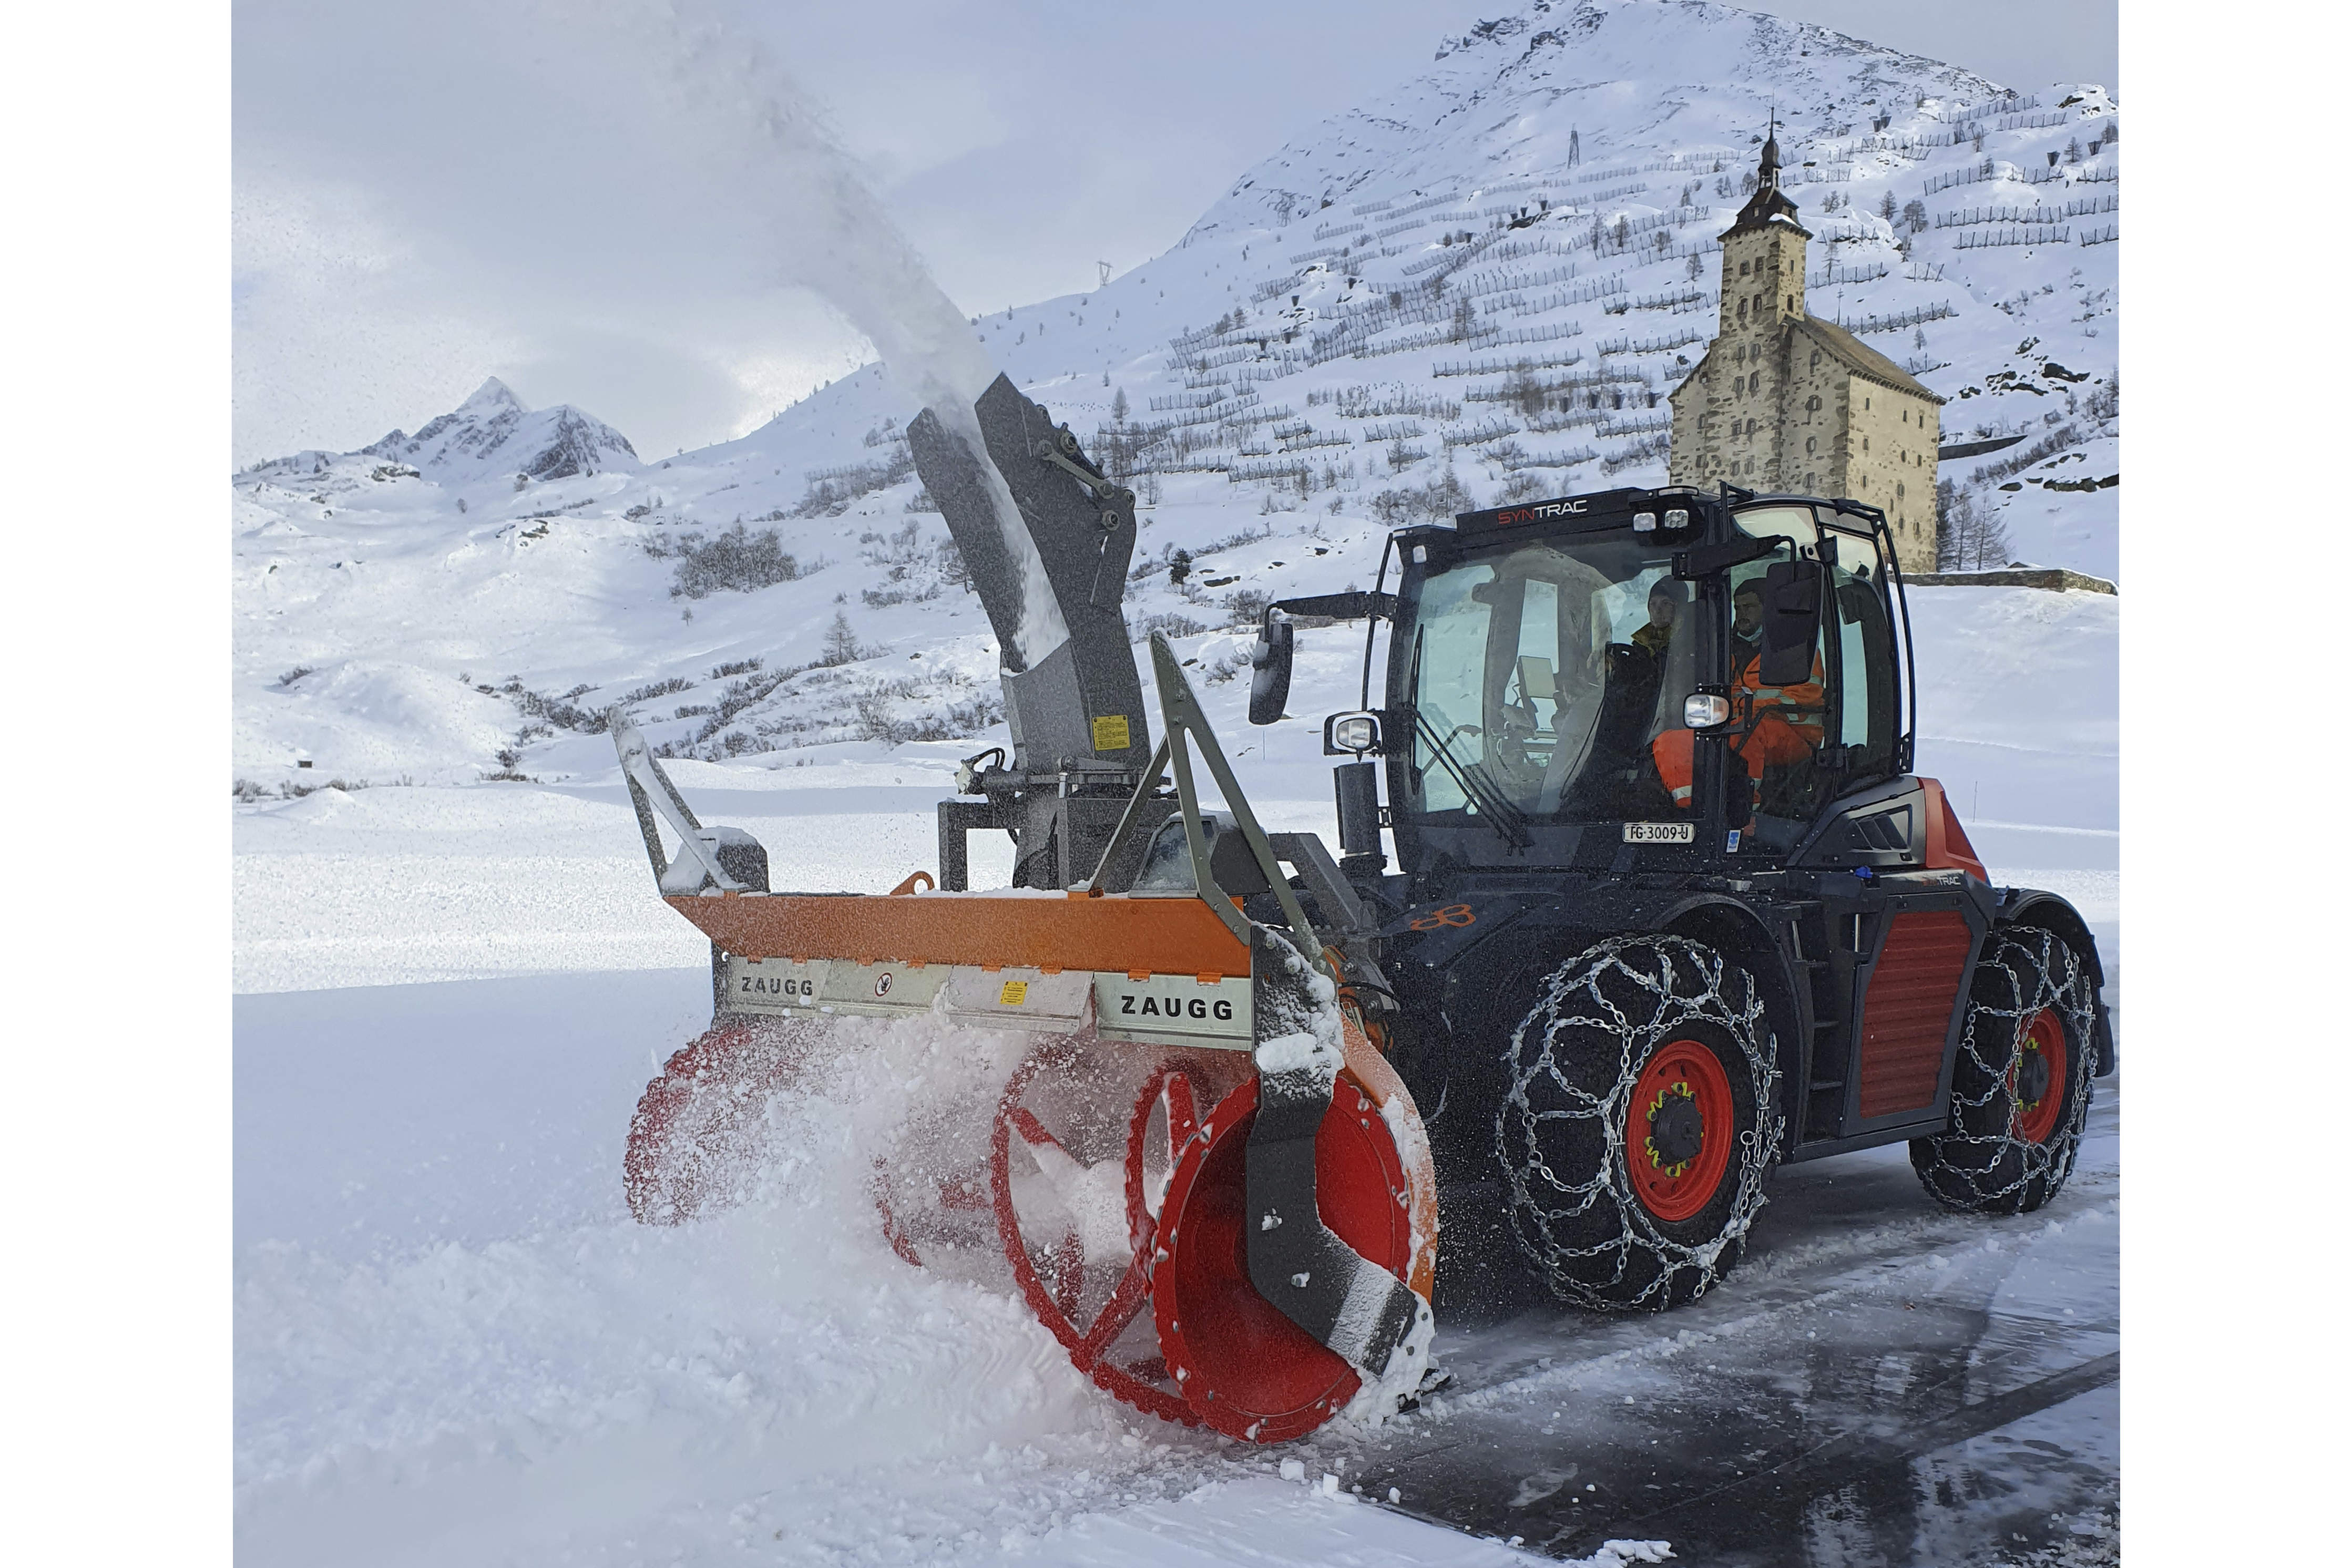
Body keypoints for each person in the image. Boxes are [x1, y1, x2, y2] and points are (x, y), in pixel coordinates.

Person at [1647, 575, 1826, 814]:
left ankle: (1742, 815)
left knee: (1748, 732)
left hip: (1795, 735)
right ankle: (1690, 813)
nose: (1742, 613)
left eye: (1750, 607)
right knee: (1670, 740)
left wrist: (1740, 707)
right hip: (1734, 725)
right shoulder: (1723, 650)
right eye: (1738, 607)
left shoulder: (1794, 651)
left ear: (1769, 609)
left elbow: (1802, 700)